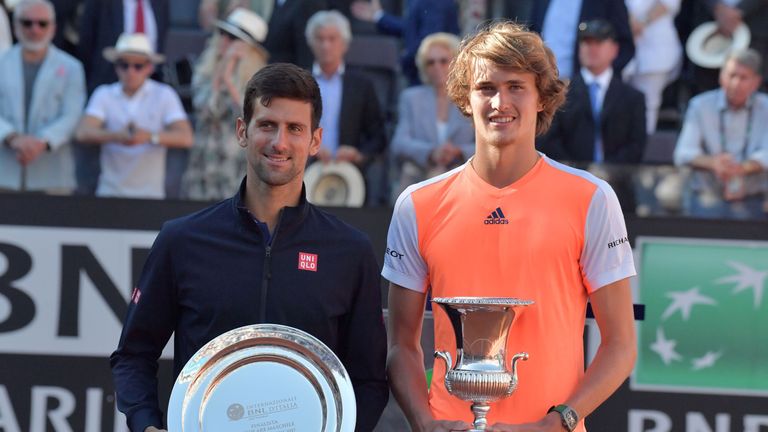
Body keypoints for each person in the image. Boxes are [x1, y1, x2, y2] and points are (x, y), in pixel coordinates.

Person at [383, 21, 637, 431]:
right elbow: (402, 345)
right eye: (486, 88)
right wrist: (424, 423)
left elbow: (621, 346)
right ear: (466, 98)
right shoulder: (417, 204)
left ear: (542, 98)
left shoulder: (592, 198)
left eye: (516, 86)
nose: (500, 102)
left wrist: (555, 424)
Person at [110, 63, 389, 432]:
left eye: (295, 129)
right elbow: (133, 355)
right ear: (243, 130)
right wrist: (146, 425)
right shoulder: (182, 241)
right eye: (267, 125)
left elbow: (369, 380)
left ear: (316, 140)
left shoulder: (349, 252)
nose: (279, 143)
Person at [74, 32, 193, 199]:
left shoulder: (164, 94)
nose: (130, 71)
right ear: (116, 67)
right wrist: (117, 136)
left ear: (149, 68)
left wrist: (148, 137)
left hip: (151, 195)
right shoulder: (104, 94)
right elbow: (82, 132)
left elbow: (186, 137)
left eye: (138, 66)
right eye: (124, 65)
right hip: (110, 192)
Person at [182, 8, 269, 201]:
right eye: (222, 33)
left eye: (232, 37)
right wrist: (221, 71)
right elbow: (204, 109)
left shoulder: (260, 83)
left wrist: (229, 80)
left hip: (234, 166)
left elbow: (250, 117)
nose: (224, 40)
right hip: (203, 163)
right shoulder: (205, 70)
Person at [0, 0, 85, 192]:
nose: (35, 29)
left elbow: (72, 115)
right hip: (5, 171)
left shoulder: (71, 67)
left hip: (51, 173)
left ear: (53, 28)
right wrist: (12, 138)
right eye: (27, 23)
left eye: (42, 23)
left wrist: (41, 142)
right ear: (15, 26)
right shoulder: (2, 62)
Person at [674, 48, 768, 219]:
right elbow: (683, 153)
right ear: (721, 76)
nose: (735, 83)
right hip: (709, 198)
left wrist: (743, 168)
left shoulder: (766, 108)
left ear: (756, 82)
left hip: (755, 198)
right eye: (731, 75)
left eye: (743, 77)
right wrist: (713, 163)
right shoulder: (700, 105)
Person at [537, 19, 646, 164]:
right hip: (570, 180)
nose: (592, 48)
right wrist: (578, 173)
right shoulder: (559, 93)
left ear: (614, 49)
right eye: (586, 42)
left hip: (618, 182)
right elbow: (549, 140)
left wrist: (606, 175)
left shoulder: (633, 98)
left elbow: (636, 146)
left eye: (599, 42)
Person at [390, 32, 474, 201]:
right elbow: (399, 143)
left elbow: (487, 143)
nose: (437, 67)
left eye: (444, 61)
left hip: (463, 174)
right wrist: (430, 152)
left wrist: (459, 151)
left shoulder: (473, 98)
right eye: (430, 62)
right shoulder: (411, 98)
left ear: (457, 63)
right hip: (420, 175)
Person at [305, 10, 386, 171]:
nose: (325, 45)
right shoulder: (299, 82)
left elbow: (378, 136)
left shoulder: (362, 85)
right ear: (311, 43)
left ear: (344, 43)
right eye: (320, 39)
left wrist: (358, 154)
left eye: (332, 39)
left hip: (349, 174)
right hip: (304, 170)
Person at [351, 0, 459, 86]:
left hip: (430, 75)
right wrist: (379, 17)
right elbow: (412, 28)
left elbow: (430, 39)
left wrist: (405, 59)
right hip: (421, 74)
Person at [529, 0, 634, 80]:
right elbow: (532, 34)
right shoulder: (541, 2)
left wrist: (598, 79)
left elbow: (625, 45)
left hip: (588, 95)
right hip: (545, 86)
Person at [623, 0, 682, 133]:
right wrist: (625, 18)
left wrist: (642, 22)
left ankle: (643, 148)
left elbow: (670, 3)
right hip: (621, 43)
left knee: (648, 105)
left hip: (656, 48)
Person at [262, 0, 325, 70]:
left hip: (291, 73)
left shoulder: (306, 3)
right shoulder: (278, 2)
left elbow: (305, 50)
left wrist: (303, 77)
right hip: (274, 70)